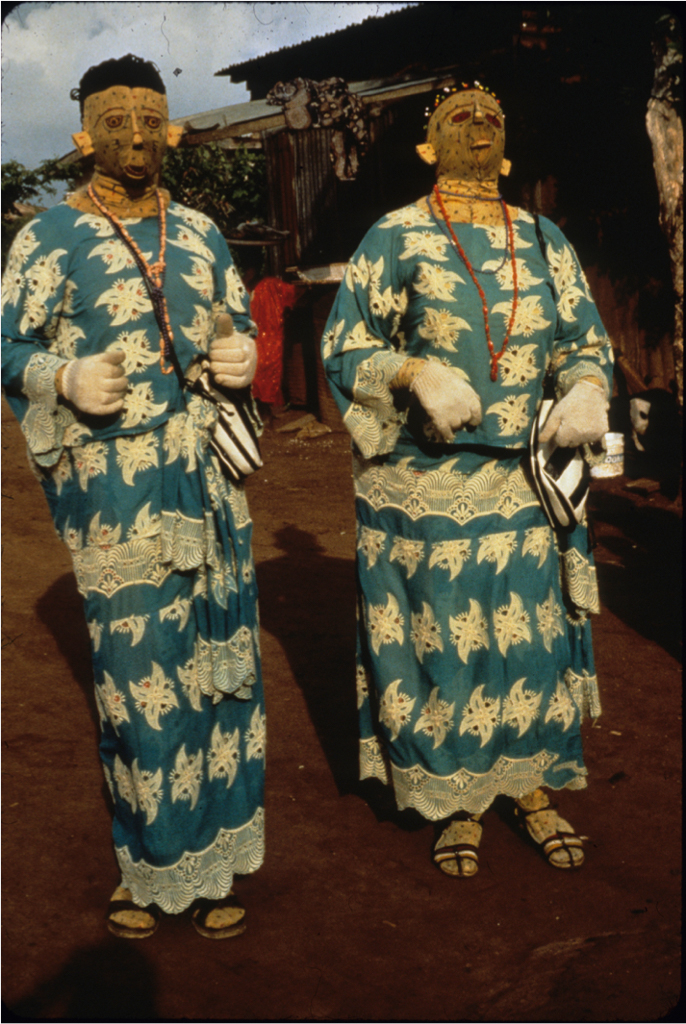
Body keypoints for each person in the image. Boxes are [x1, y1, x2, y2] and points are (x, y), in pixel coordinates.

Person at [1, 55, 265, 937]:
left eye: (152, 118)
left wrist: (242, 357)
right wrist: (61, 373)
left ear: (173, 129)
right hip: (116, 489)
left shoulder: (200, 231)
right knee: (138, 677)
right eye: (116, 119)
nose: (137, 135)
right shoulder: (46, 237)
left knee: (221, 664)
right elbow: (7, 346)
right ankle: (151, 860)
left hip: (212, 485)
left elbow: (237, 325)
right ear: (83, 132)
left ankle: (217, 857)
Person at [322, 84, 613, 876]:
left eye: (492, 117)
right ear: (429, 147)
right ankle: (457, 797)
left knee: (531, 643)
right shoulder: (396, 236)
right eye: (459, 119)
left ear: (508, 145)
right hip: (426, 484)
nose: (478, 126)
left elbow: (584, 337)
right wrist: (411, 370)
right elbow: (344, 348)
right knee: (442, 641)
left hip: (525, 481)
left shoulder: (544, 237)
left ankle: (530, 786)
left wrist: (586, 386)